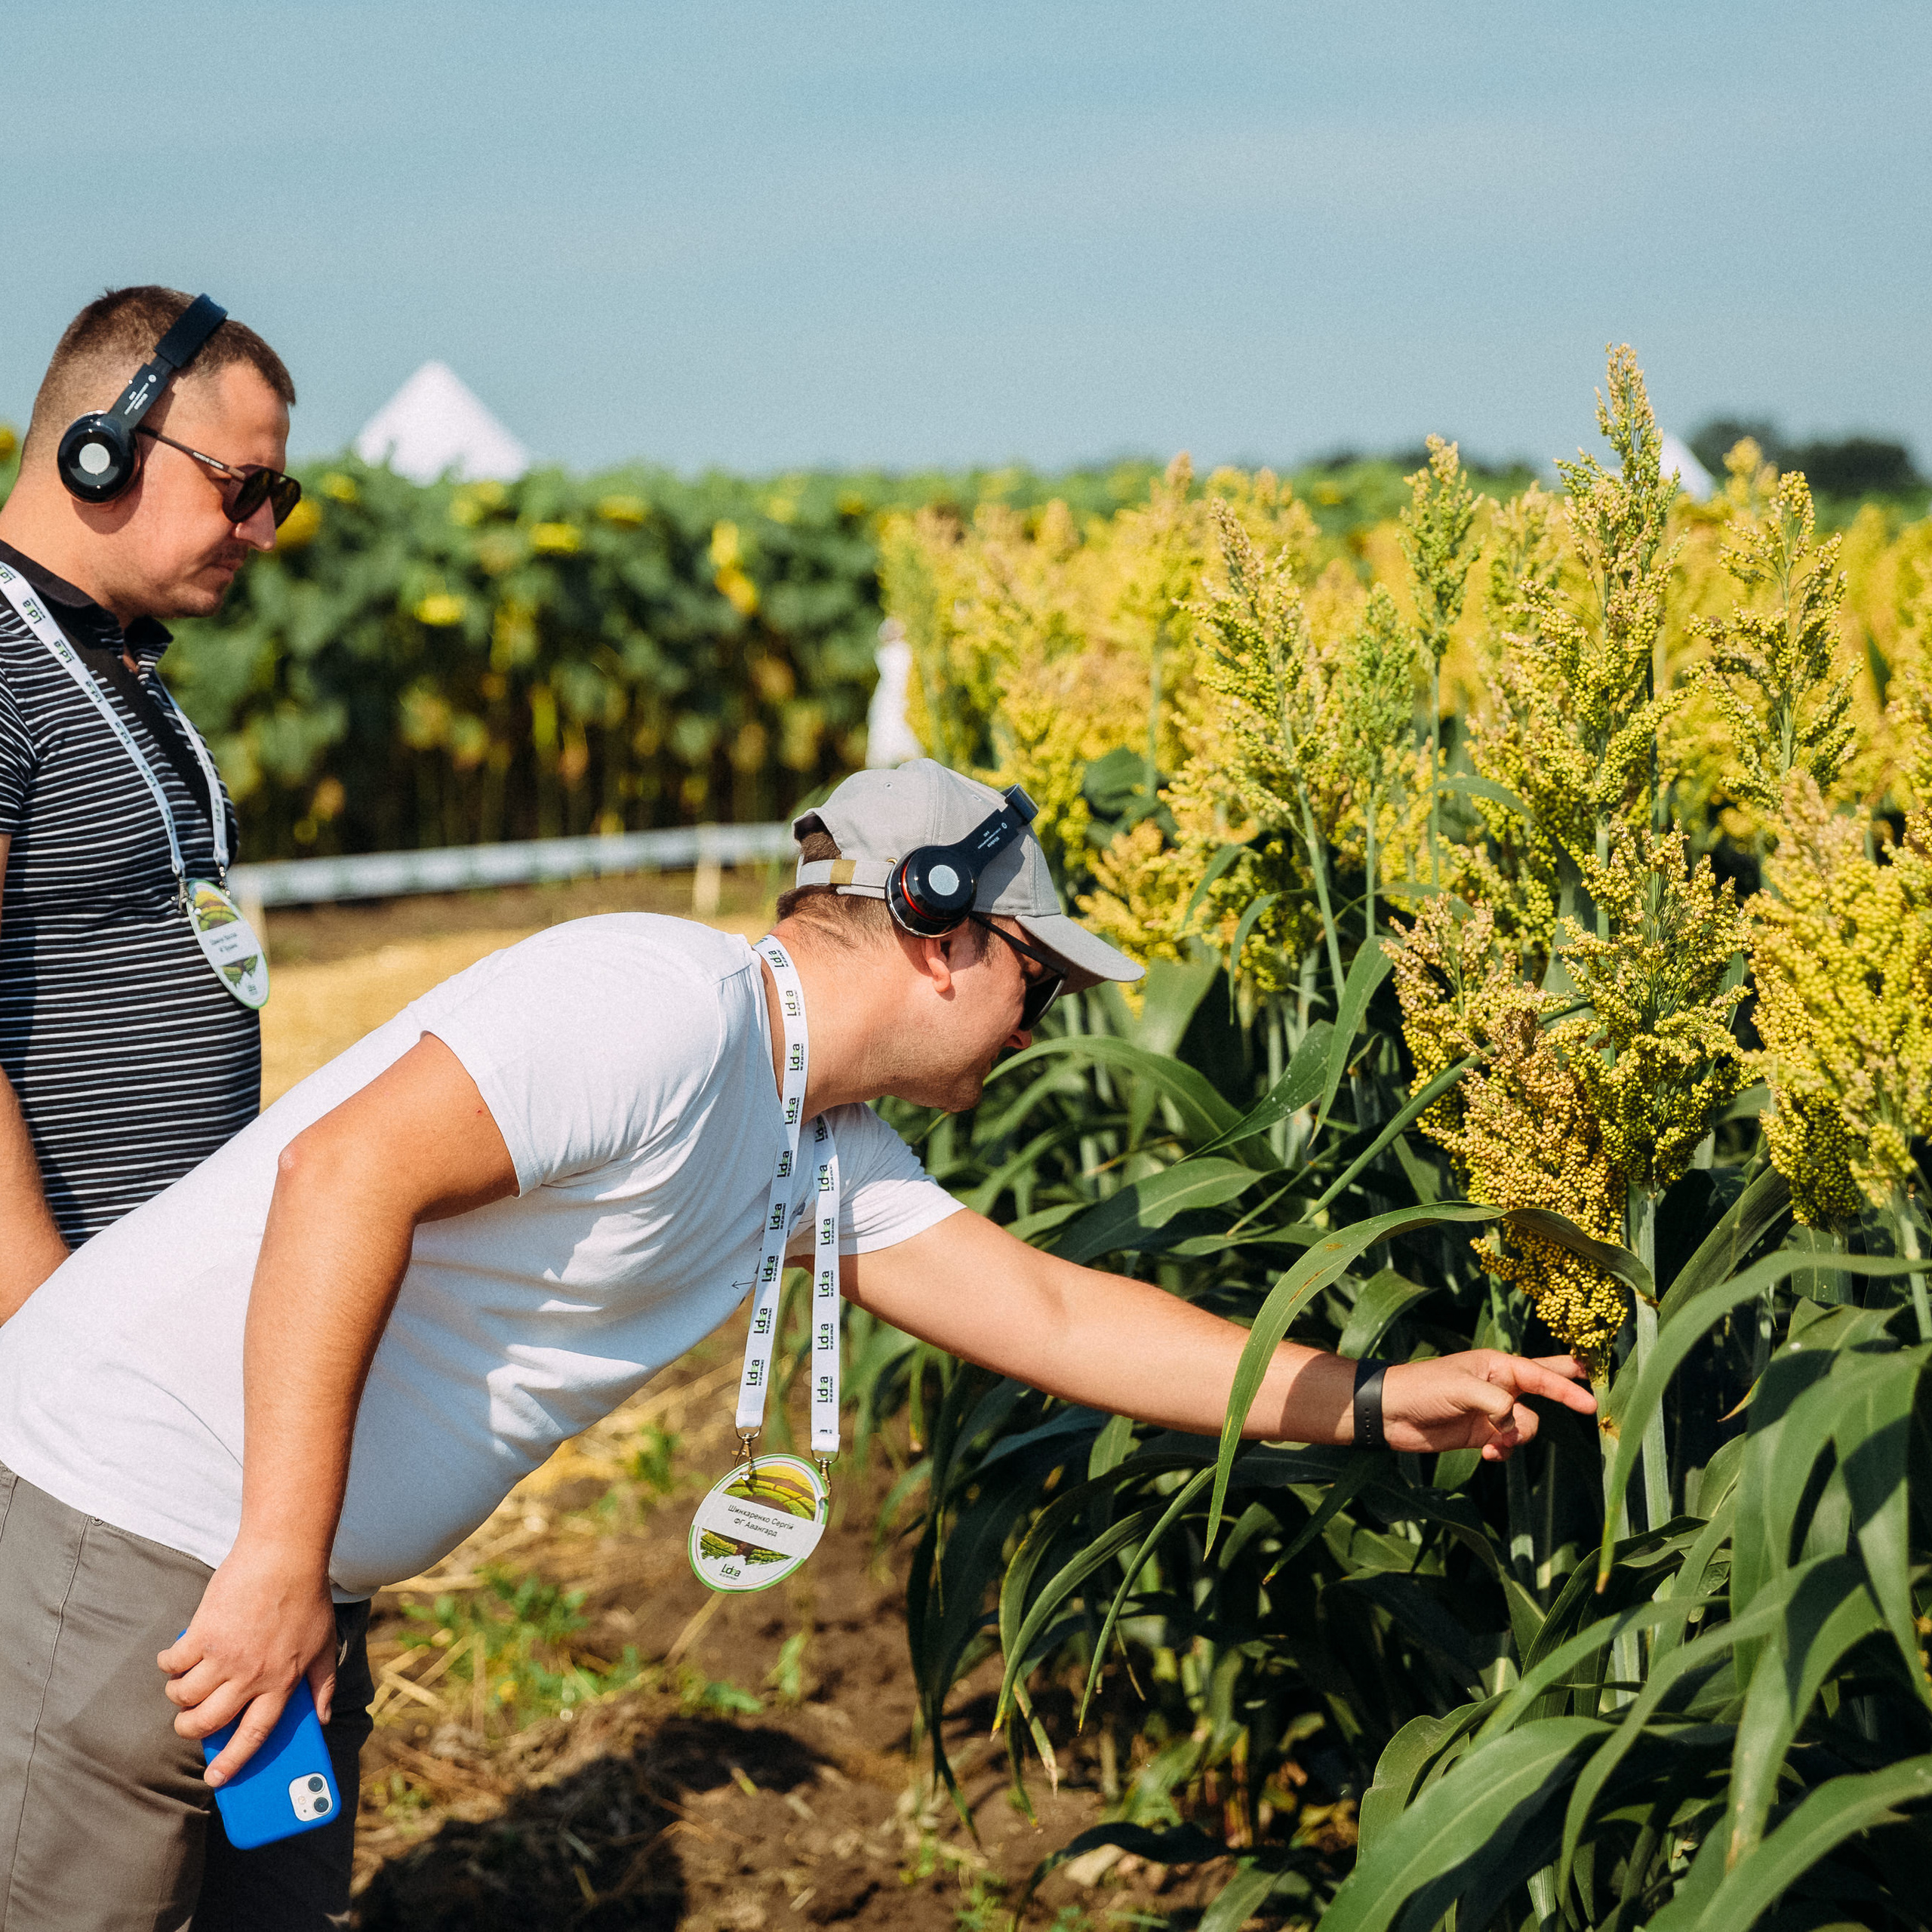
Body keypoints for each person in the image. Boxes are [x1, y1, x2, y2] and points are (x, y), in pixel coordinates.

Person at [0, 758, 1595, 1930]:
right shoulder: (653, 1005)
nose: (1044, 1018)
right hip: (133, 1534)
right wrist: (282, 1556)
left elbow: (1044, 1309)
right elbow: (342, 1174)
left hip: (269, 1578)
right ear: (934, 925)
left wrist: (1376, 1393)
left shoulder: (804, 1137)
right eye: (1033, 975)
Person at [0, 286, 299, 1314]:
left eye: (279, 499)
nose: (261, 531)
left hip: (144, 1317)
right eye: (243, 486)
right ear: (106, 445)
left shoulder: (112, 657)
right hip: (56, 1336)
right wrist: (41, 1317)